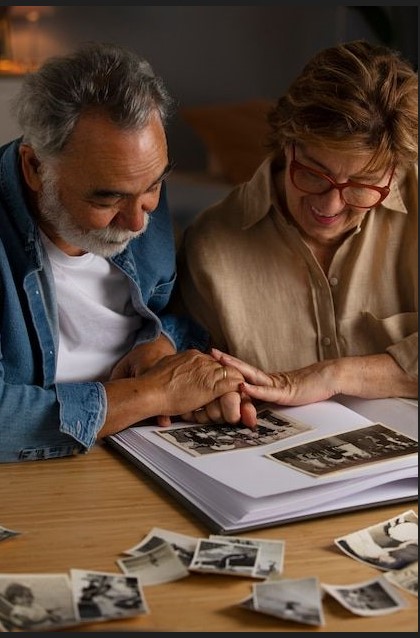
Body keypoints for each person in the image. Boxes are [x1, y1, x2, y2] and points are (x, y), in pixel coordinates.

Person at [0, 41, 246, 463]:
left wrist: (160, 343)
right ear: (35, 168)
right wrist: (151, 393)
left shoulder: (136, 190)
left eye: (153, 186)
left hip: (142, 450)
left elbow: (171, 309)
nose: (137, 222)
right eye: (106, 200)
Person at [174, 40, 418, 424]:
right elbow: (200, 380)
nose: (331, 206)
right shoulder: (211, 246)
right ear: (287, 144)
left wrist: (336, 374)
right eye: (313, 173)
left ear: (395, 170)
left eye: (362, 185)